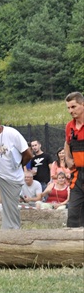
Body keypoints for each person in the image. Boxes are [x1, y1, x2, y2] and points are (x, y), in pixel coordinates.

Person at [64, 91, 84, 227]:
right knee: (73, 214)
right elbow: (67, 142)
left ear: (83, 104)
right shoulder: (69, 126)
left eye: (74, 107)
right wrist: (67, 158)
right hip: (77, 175)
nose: (71, 111)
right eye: (68, 108)